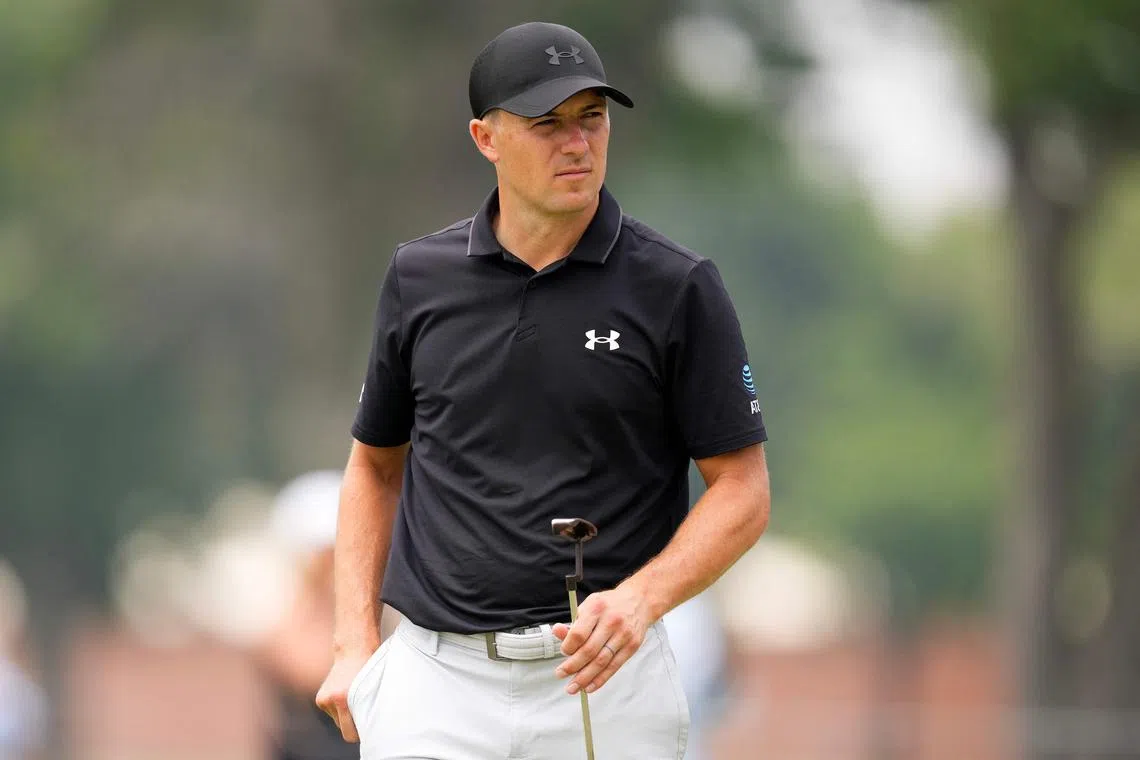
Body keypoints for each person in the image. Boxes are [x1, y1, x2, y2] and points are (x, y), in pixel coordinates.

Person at [316, 20, 771, 760]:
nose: (577, 143)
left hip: (605, 679)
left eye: (591, 118)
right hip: (437, 682)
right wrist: (352, 641)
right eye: (547, 124)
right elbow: (375, 464)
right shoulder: (419, 278)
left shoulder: (676, 286)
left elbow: (743, 490)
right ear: (486, 138)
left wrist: (640, 600)